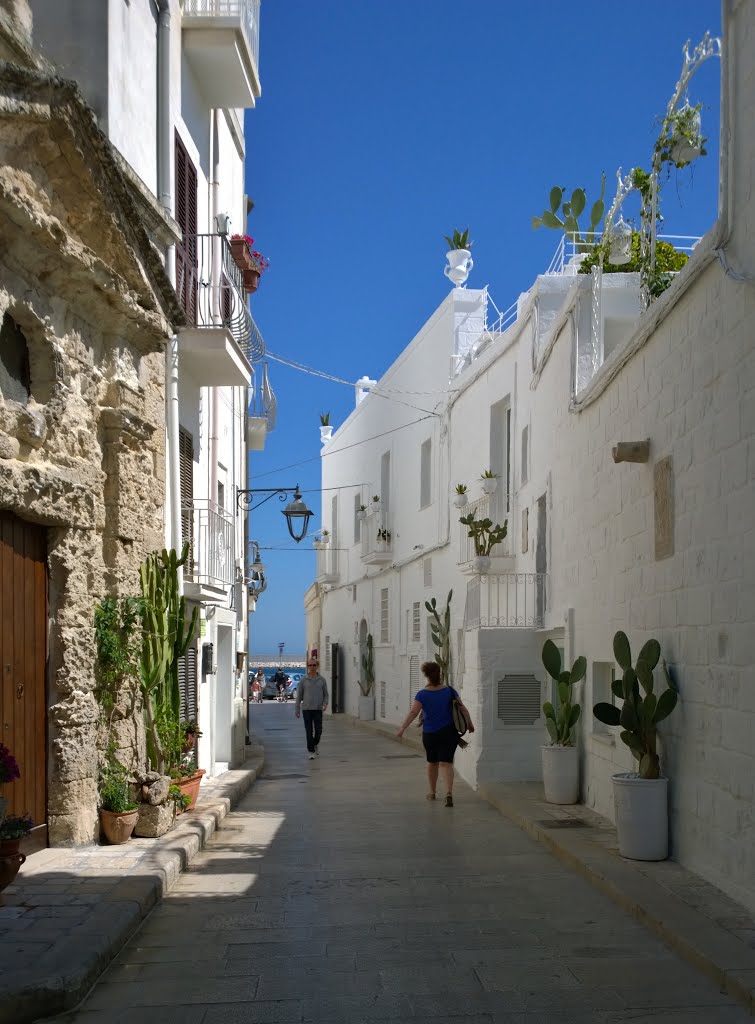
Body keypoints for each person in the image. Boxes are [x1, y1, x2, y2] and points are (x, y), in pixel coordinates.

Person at [396, 661, 474, 807]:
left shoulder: (422, 694)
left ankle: (432, 792)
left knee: (432, 763)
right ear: (439, 673)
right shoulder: (450, 691)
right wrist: (470, 724)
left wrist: (402, 728)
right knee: (446, 764)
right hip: (449, 733)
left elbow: (414, 712)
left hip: (430, 734)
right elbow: (463, 708)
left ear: (426, 676)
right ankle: (449, 793)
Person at [295, 659, 329, 759]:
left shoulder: (322, 680)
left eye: (314, 665)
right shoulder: (303, 680)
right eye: (310, 665)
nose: (312, 667)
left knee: (319, 731)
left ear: (317, 666)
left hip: (318, 709)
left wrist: (325, 703)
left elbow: (326, 694)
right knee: (309, 731)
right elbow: (299, 696)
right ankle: (311, 751)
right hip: (306, 709)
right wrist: (297, 709)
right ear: (308, 666)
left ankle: (314, 744)